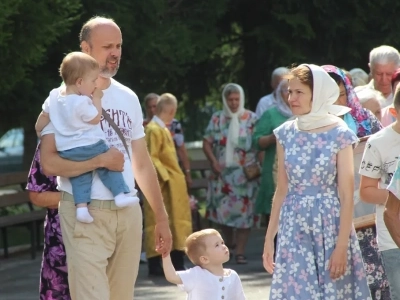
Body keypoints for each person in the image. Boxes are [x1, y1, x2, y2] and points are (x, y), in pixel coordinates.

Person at [39, 16, 172, 300]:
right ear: (85, 48)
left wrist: (160, 217)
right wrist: (99, 162)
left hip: (128, 213)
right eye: (107, 46)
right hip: (84, 212)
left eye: (119, 46)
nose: (115, 53)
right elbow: (49, 164)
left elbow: (141, 162)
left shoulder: (128, 97)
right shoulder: (59, 100)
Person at [263, 64, 371, 299]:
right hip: (293, 226)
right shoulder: (285, 133)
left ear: (318, 93)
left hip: (330, 225)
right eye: (289, 92)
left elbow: (345, 193)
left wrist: (341, 246)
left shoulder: (339, 133)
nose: (292, 98)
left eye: (298, 92)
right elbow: (281, 190)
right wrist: (270, 238)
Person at [35, 52, 139, 224]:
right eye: (92, 81)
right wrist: (96, 99)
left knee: (79, 178)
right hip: (91, 145)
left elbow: (43, 117)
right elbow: (95, 118)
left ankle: (81, 208)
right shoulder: (81, 102)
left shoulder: (54, 96)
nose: (94, 86)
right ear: (80, 82)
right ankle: (120, 194)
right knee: (109, 166)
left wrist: (39, 130)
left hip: (67, 150)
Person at [203, 83, 260, 265]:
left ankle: (241, 250)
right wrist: (213, 162)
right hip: (223, 175)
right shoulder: (217, 119)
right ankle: (227, 246)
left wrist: (259, 167)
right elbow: (207, 143)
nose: (234, 103)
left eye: (237, 99)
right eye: (230, 99)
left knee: (245, 215)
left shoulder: (251, 118)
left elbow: (259, 145)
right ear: (225, 100)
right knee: (224, 215)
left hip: (245, 176)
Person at [144, 93, 193, 275]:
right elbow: (152, 157)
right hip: (163, 185)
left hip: (172, 185)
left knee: (175, 221)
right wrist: (166, 178)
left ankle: (175, 260)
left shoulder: (161, 128)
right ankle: (155, 263)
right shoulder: (153, 129)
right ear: (172, 110)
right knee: (157, 221)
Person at [359, 87, 400, 299]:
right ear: (394, 112)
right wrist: (395, 196)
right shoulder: (378, 142)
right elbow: (366, 192)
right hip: (391, 238)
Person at [27, 143, 70, 300]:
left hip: (103, 240)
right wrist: (78, 197)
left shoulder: (106, 135)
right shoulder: (51, 140)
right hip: (60, 247)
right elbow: (36, 194)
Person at [162, 228, 246, 300]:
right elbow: (172, 276)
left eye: (222, 243)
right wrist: (166, 254)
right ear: (204, 259)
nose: (223, 246)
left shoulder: (233, 276)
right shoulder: (196, 275)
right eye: (217, 245)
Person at [252, 80, 292, 218]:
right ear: (279, 94)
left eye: (296, 91)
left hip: (300, 173)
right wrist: (273, 138)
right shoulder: (271, 114)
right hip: (275, 171)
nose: (291, 95)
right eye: (287, 90)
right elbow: (256, 141)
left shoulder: (307, 114)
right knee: (275, 219)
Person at [143, 92, 192, 186]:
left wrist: (187, 172)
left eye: (155, 106)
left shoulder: (174, 125)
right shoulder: (141, 126)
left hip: (172, 170)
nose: (152, 110)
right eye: (149, 107)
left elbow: (181, 149)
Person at [322, 65, 382, 137]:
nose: (336, 102)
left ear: (348, 94)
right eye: (330, 96)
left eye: (341, 95)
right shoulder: (310, 126)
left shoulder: (366, 119)